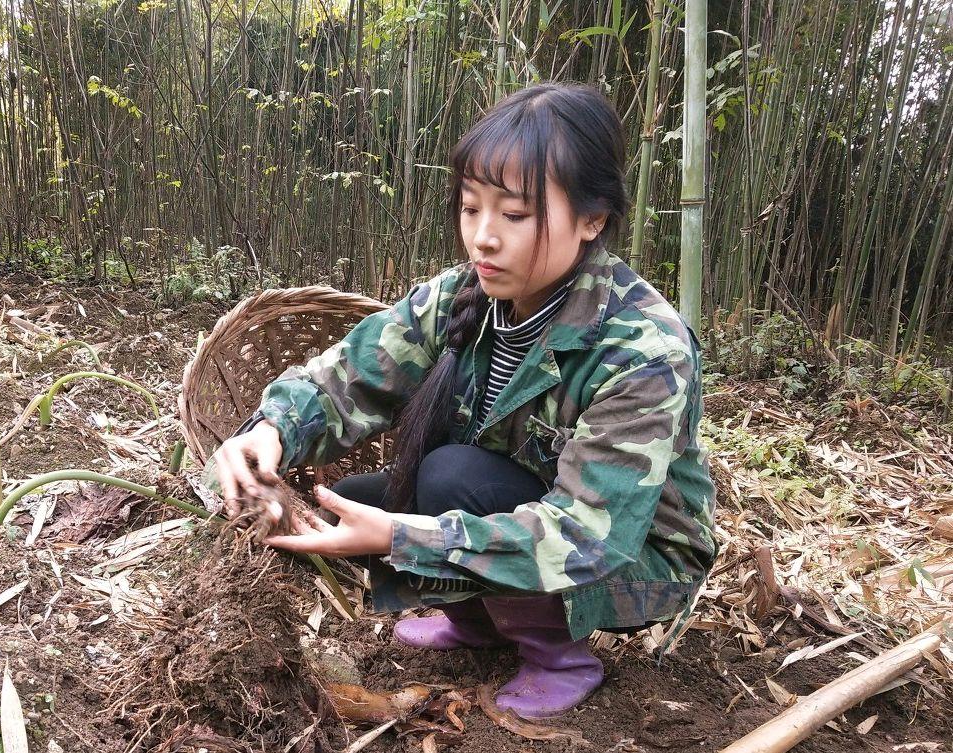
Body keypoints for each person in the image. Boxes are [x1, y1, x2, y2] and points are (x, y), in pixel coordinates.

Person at [212, 82, 717, 719]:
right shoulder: (463, 296)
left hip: (634, 556)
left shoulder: (642, 347)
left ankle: (558, 653)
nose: (482, 238)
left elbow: (590, 534)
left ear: (592, 219)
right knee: (368, 496)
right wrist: (271, 431)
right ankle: (479, 623)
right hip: (514, 501)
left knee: (445, 481)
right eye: (471, 208)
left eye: (514, 215)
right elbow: (348, 375)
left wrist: (403, 537)